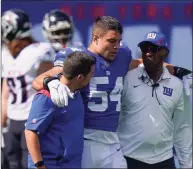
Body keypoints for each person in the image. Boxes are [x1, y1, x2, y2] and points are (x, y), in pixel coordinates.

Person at [33, 16, 131, 168]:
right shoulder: (80, 58)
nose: (116, 46)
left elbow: (142, 63)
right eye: (111, 41)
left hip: (113, 142)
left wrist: (173, 70)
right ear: (95, 38)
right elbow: (38, 81)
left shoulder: (123, 55)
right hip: (84, 141)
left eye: (119, 41)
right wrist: (49, 82)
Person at [118, 31, 192, 169]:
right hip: (129, 158)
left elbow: (182, 129)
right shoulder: (127, 79)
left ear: (165, 52)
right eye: (144, 49)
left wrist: (186, 165)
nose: (148, 53)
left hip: (164, 160)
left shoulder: (177, 85)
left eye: (154, 49)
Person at [1, 9, 54, 169]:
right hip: (12, 120)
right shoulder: (5, 53)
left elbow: (49, 86)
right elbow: (5, 93)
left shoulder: (39, 51)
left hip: (32, 119)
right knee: (11, 163)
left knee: (28, 163)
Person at [25, 51, 96, 169]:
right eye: (91, 74)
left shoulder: (77, 92)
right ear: (80, 77)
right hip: (49, 165)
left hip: (71, 164)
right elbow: (30, 132)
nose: (92, 77)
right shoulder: (46, 97)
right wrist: (39, 165)